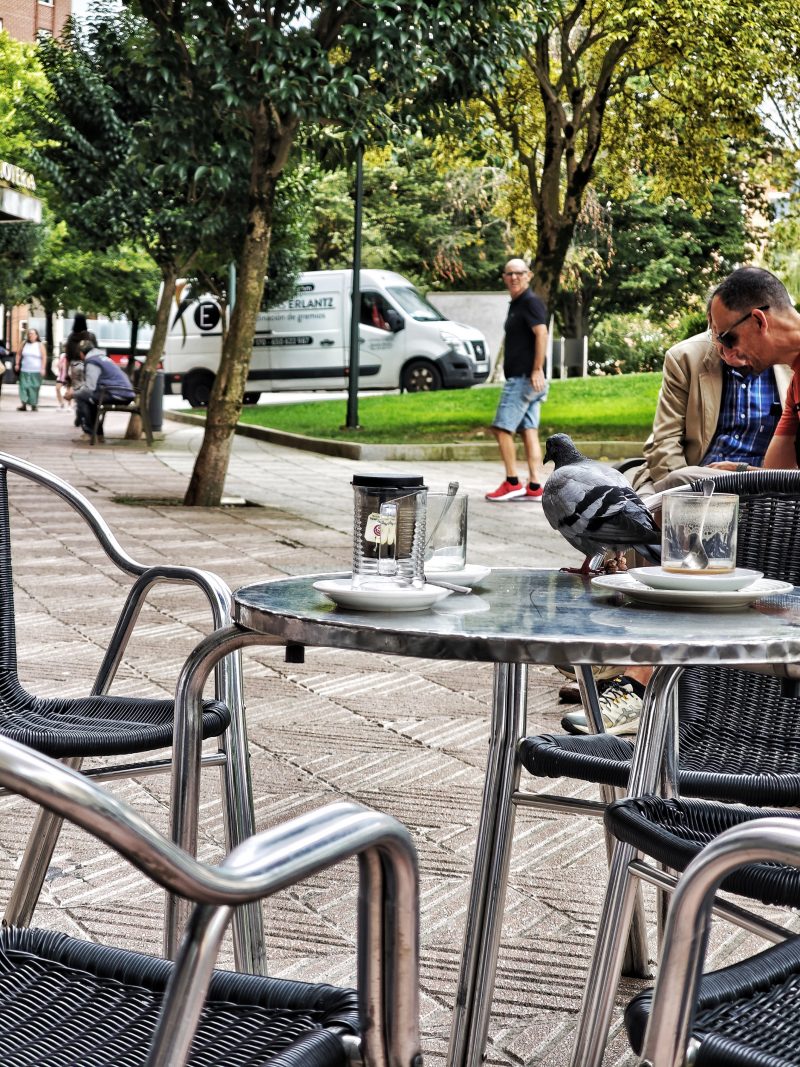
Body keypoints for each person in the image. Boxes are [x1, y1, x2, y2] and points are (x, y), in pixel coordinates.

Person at [631, 327, 791, 495]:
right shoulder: (685, 356)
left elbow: (788, 472)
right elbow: (665, 441)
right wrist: (686, 498)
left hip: (762, 486)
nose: (727, 352)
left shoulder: (790, 358)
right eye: (718, 334)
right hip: (691, 475)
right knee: (639, 509)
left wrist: (742, 470)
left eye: (734, 337)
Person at [708, 266, 800, 471]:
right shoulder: (794, 388)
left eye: (727, 338)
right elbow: (777, 476)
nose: (726, 352)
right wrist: (741, 471)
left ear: (759, 321)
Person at [485, 258, 549, 501]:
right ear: (504, 277)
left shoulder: (530, 302)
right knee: (528, 430)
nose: (514, 277)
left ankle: (512, 482)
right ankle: (534, 485)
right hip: (527, 380)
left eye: (519, 273)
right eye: (509, 274)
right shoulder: (517, 303)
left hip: (524, 379)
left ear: (529, 275)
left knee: (502, 429)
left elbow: (542, 333)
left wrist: (536, 369)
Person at [73, 339, 135, 437]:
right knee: (91, 398)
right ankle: (97, 432)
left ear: (81, 354)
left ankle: (89, 432)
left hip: (117, 393)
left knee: (82, 397)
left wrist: (73, 394)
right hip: (124, 392)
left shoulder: (92, 362)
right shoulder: (102, 358)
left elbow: (90, 388)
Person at [15, 328, 47, 412]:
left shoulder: (40, 345)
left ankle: (33, 404)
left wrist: (43, 368)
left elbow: (44, 357)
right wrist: (17, 364)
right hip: (25, 369)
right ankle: (24, 404)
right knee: (24, 387)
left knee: (34, 387)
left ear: (36, 335)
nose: (30, 335)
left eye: (32, 334)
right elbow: (18, 354)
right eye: (29, 334)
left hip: (36, 371)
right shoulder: (24, 343)